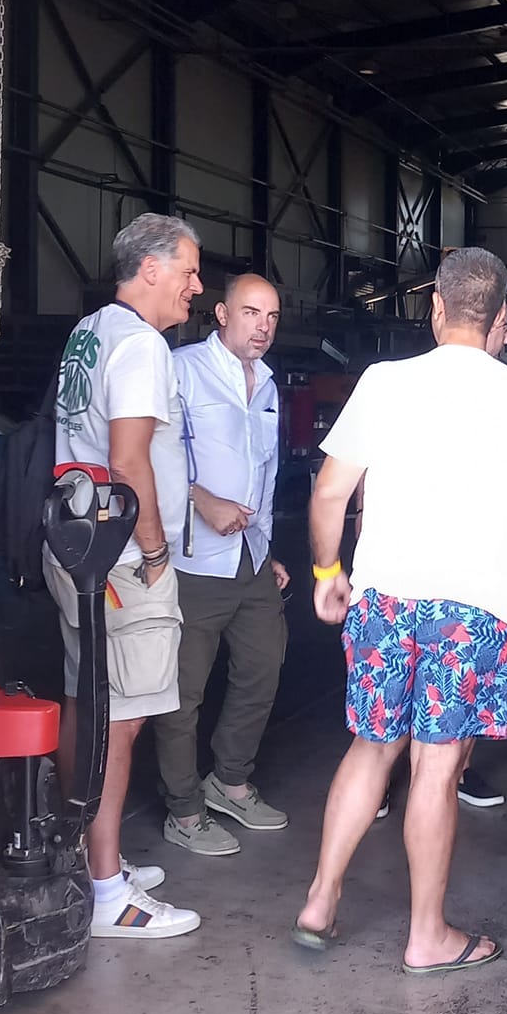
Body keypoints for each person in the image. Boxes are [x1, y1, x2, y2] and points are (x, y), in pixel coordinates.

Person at [294, 248, 507, 972]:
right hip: (472, 609)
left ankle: (321, 899)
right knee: (438, 767)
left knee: (371, 747)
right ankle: (426, 936)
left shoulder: (383, 383)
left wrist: (328, 571)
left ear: (436, 307)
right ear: (500, 316)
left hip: (384, 598)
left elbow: (329, 493)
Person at [47, 211, 204, 942]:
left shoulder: (91, 331)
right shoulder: (142, 345)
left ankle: (87, 857)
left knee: (87, 701)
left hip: (76, 541)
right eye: (188, 272)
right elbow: (129, 459)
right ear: (150, 269)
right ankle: (108, 892)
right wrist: (155, 551)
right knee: (122, 717)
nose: (196, 288)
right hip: (120, 556)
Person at [154, 273, 292, 857]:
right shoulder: (180, 369)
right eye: (251, 312)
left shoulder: (268, 384)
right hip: (192, 558)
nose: (263, 326)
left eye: (272, 316)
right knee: (184, 691)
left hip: (251, 558)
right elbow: (143, 453)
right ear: (222, 313)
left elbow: (265, 472)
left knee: (262, 668)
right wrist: (199, 497)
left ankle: (229, 781)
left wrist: (268, 547)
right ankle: (183, 810)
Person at [374, 292, 507, 823]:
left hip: (459, 585)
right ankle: (392, 781)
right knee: (398, 737)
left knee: (438, 732)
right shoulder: (404, 383)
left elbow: (333, 487)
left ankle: (454, 772)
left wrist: (331, 571)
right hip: (412, 580)